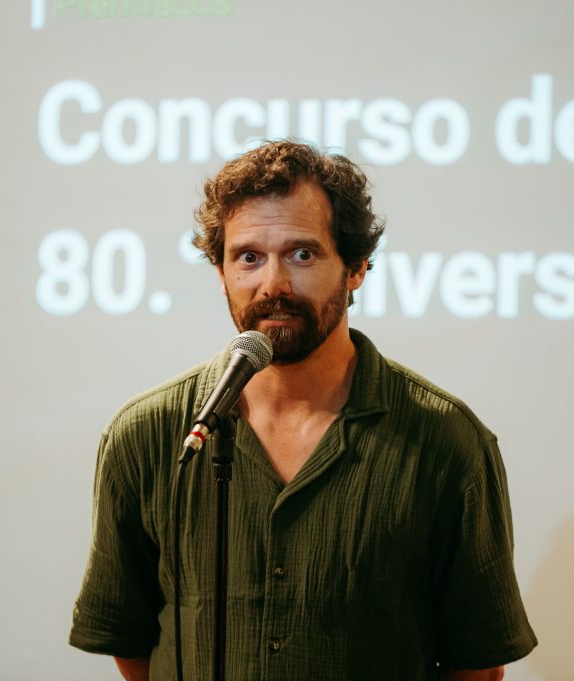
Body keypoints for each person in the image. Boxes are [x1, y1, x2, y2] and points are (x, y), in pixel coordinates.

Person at [69, 140, 537, 680]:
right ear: (220, 272)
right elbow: (129, 639)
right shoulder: (148, 434)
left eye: (302, 254)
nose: (273, 284)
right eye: (248, 257)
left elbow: (476, 663)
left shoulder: (445, 441)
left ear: (356, 266)